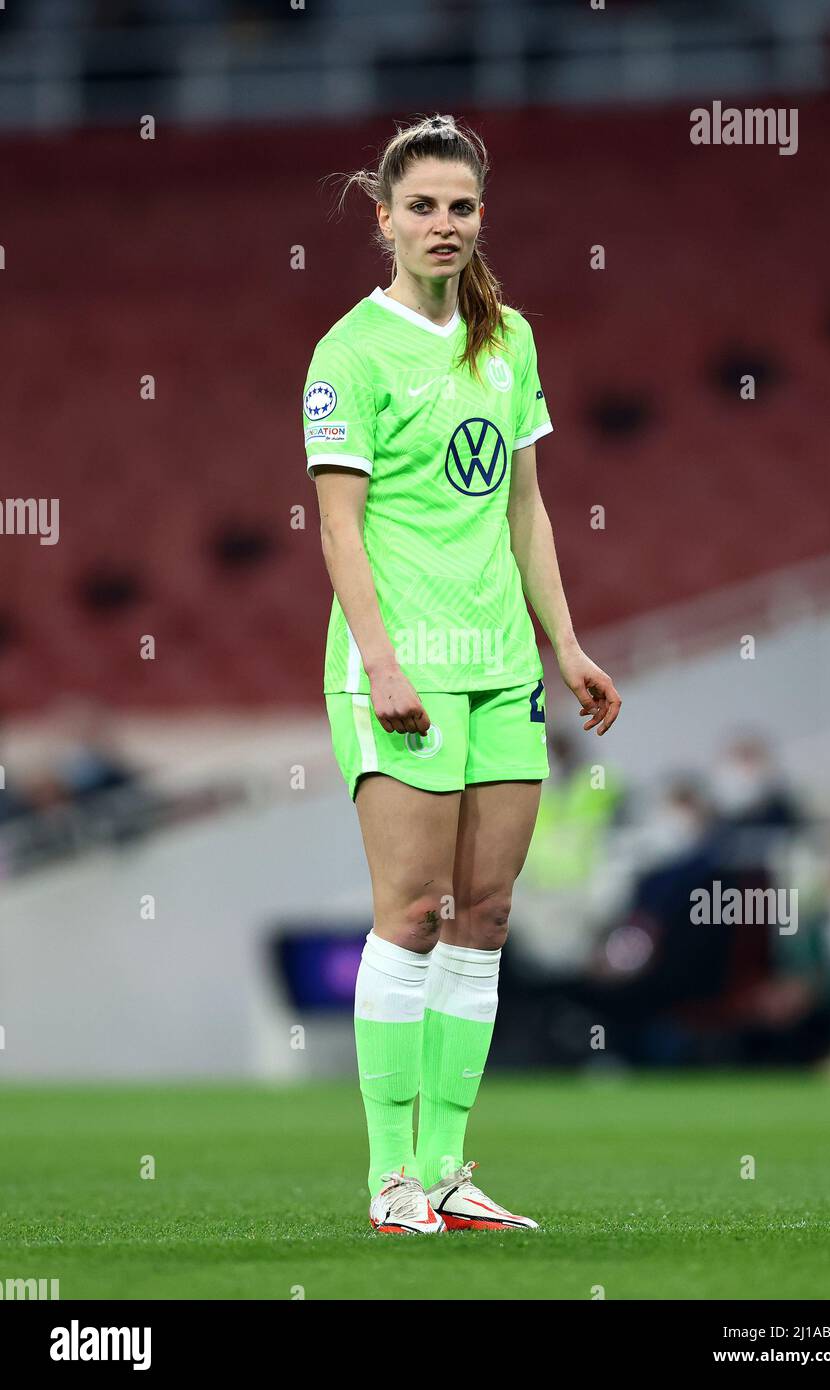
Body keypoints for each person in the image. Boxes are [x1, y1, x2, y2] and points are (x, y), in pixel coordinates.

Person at [302, 113, 621, 1235]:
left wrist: (565, 643)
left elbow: (525, 506)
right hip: (400, 671)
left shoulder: (509, 338)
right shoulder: (348, 353)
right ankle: (390, 1179)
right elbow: (339, 531)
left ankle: (446, 1168)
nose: (445, 225)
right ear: (382, 219)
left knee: (483, 915)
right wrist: (380, 661)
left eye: (463, 206)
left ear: (483, 216)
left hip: (500, 668)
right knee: (412, 912)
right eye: (424, 207)